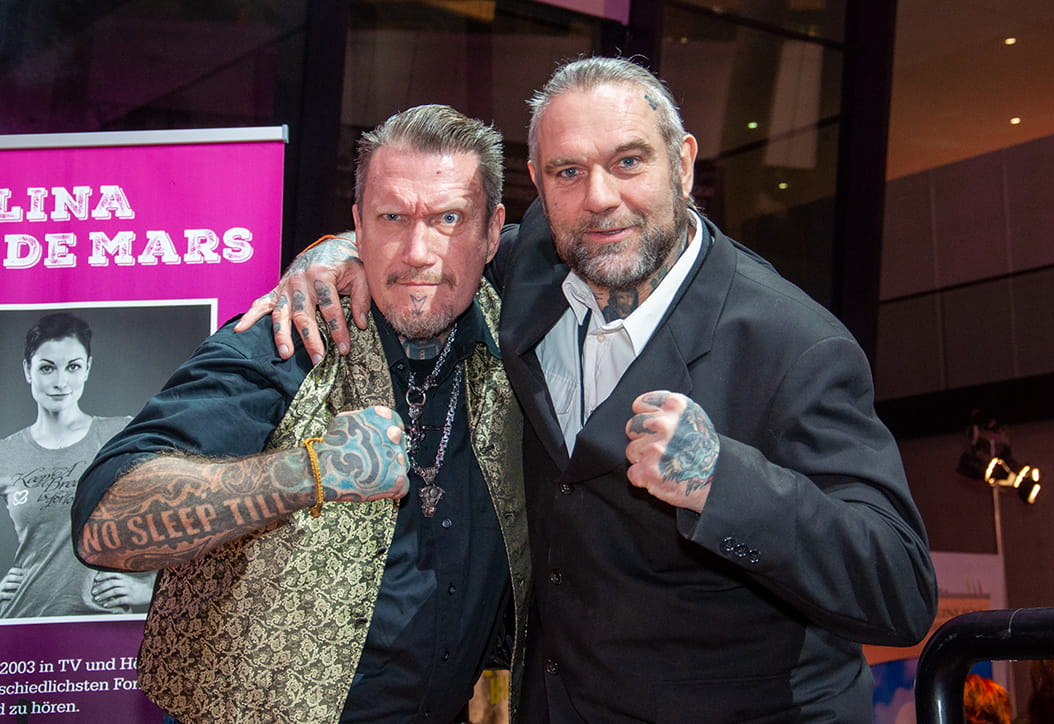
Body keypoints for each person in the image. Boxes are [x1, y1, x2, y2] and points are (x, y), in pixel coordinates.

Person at [241, 57, 938, 722]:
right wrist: (336, 251)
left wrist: (723, 483)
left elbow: (900, 588)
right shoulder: (534, 265)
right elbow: (431, 237)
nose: (599, 198)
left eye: (628, 161)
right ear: (539, 185)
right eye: (568, 172)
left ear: (683, 164)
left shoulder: (793, 343)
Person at [71, 105, 529, 724]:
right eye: (392, 217)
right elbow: (103, 523)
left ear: (493, 230)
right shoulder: (287, 340)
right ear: (358, 225)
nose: (418, 252)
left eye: (449, 218)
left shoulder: (517, 330)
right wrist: (308, 473)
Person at [0, 312, 154, 618]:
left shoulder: (121, 435)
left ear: (87, 369)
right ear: (28, 371)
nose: (60, 382)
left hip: (104, 623)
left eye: (73, 366)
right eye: (47, 368)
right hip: (25, 620)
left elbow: (181, 513)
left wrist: (151, 587)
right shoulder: (6, 453)